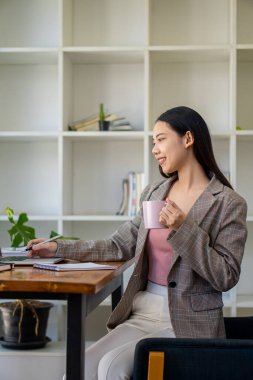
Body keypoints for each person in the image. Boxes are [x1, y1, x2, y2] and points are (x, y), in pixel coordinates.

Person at [27, 106, 248, 380]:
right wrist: (58, 248)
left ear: (188, 139)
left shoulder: (228, 203)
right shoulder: (154, 192)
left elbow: (226, 276)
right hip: (142, 311)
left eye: (161, 139)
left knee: (111, 367)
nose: (154, 149)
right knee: (77, 369)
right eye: (153, 142)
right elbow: (118, 245)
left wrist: (183, 228)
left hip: (186, 322)